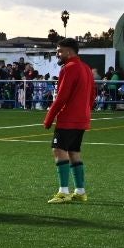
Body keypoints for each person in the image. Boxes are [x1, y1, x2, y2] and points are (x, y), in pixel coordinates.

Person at [43, 37, 96, 203]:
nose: (57, 54)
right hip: (82, 117)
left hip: (69, 118)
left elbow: (62, 97)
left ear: (68, 51)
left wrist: (49, 117)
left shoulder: (69, 68)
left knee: (58, 150)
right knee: (74, 151)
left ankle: (63, 191)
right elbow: (93, 94)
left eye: (59, 51)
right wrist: (86, 111)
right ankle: (80, 191)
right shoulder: (86, 68)